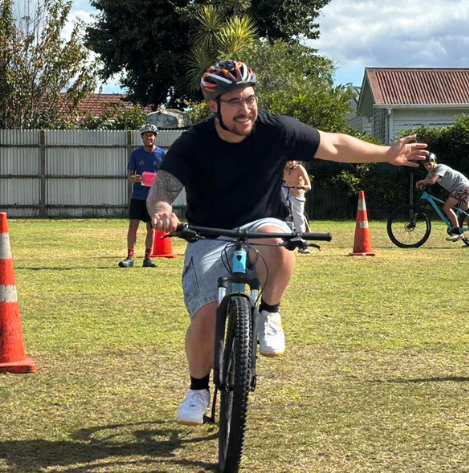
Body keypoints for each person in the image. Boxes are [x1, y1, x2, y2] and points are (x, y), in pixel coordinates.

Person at [146, 60, 430, 425]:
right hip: (208, 234)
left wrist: (385, 154)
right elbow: (162, 191)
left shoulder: (276, 130)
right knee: (204, 316)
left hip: (260, 223)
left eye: (249, 98)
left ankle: (270, 312)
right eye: (233, 101)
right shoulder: (194, 142)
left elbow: (334, 142)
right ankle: (198, 389)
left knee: (277, 237)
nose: (245, 109)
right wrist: (164, 212)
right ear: (214, 106)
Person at [120, 124, 165, 268]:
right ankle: (130, 257)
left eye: (151, 135)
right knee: (133, 225)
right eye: (146, 135)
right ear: (142, 137)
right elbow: (130, 176)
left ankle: (148, 258)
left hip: (153, 198)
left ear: (155, 137)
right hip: (138, 196)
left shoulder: (162, 155)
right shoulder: (136, 154)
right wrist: (136, 178)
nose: (149, 137)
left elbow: (166, 175)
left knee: (151, 228)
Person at [414, 152, 469, 241]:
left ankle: (457, 232)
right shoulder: (431, 173)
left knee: (447, 207)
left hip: (462, 186)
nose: (428, 167)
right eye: (425, 165)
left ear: (434, 162)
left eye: (429, 164)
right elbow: (427, 181)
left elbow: (432, 181)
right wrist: (421, 184)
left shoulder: (440, 168)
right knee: (465, 215)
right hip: (465, 186)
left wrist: (421, 181)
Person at [282, 160, 312, 253]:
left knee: (298, 218)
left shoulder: (299, 168)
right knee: (283, 215)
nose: (290, 162)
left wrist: (301, 187)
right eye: (288, 160)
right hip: (287, 193)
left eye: (292, 160)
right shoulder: (284, 169)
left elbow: (308, 186)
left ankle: (302, 243)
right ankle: (286, 239)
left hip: (297, 196)